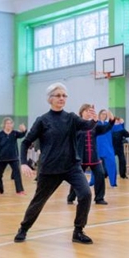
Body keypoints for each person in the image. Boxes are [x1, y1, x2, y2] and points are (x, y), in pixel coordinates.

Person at [14, 83, 97, 244]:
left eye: (64, 96)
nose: (61, 98)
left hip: (72, 166)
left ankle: (78, 231)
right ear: (50, 99)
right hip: (50, 168)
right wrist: (23, 163)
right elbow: (26, 143)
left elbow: (86, 126)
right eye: (58, 95)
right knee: (38, 201)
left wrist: (93, 120)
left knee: (86, 194)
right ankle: (23, 228)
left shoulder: (71, 118)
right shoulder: (43, 120)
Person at [68, 104, 114, 205]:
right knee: (77, 179)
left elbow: (105, 129)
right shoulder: (76, 125)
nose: (89, 113)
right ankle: (71, 197)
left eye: (91, 111)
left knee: (100, 174)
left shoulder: (95, 125)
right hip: (80, 158)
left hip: (94, 157)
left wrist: (111, 121)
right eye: (87, 111)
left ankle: (99, 198)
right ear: (82, 112)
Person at [0, 117, 27, 195]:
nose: (9, 125)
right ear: (4, 125)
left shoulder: (15, 133)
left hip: (13, 158)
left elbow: (22, 134)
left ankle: (20, 190)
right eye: (7, 123)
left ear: (12, 125)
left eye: (10, 123)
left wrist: (24, 130)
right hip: (1, 158)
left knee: (17, 174)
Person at [95, 109, 118, 187]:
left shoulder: (108, 125)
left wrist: (110, 113)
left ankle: (113, 183)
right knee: (94, 165)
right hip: (97, 147)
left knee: (112, 163)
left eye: (105, 114)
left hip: (108, 148)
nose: (103, 115)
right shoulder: (95, 124)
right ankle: (92, 181)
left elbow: (116, 125)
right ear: (99, 114)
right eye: (102, 114)